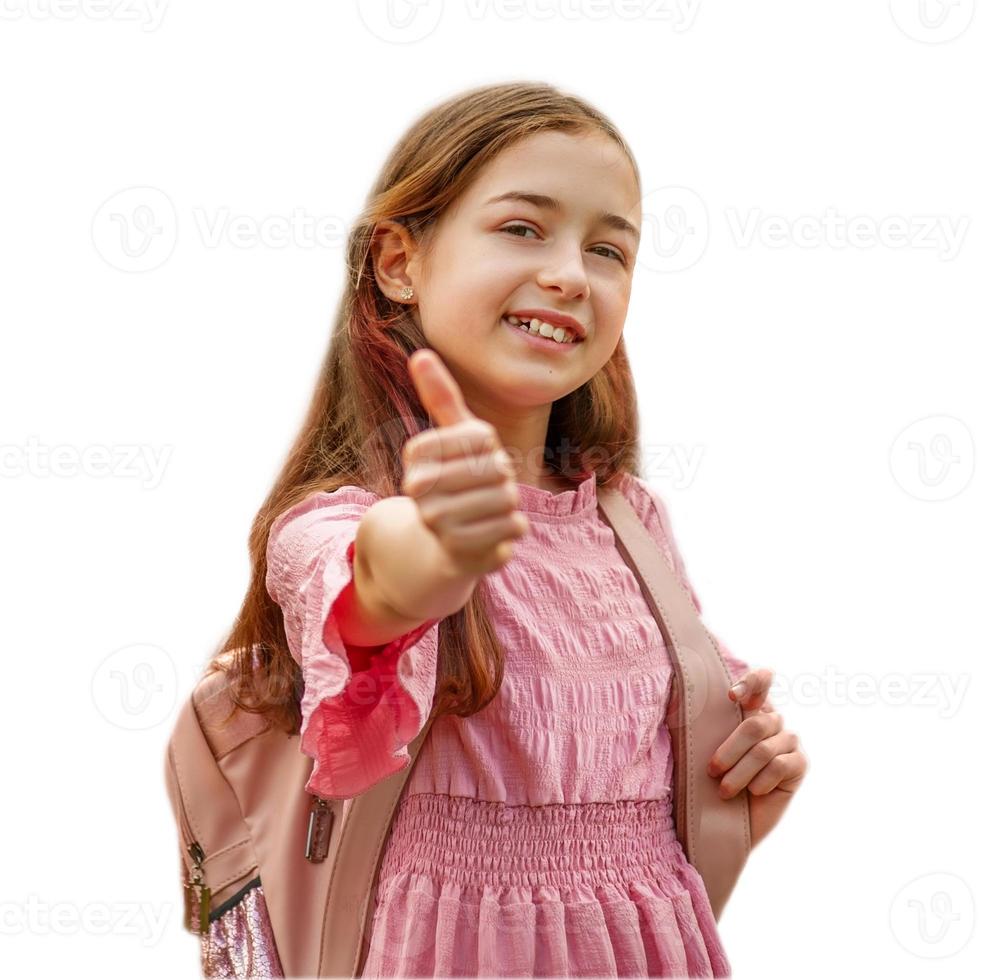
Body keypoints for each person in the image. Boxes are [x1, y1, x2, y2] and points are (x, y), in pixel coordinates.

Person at [217, 81, 808, 978]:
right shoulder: (332, 524)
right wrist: (441, 548)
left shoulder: (633, 525)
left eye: (608, 248)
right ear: (397, 262)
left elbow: (661, 791)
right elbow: (377, 587)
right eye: (523, 228)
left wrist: (742, 773)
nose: (572, 271)